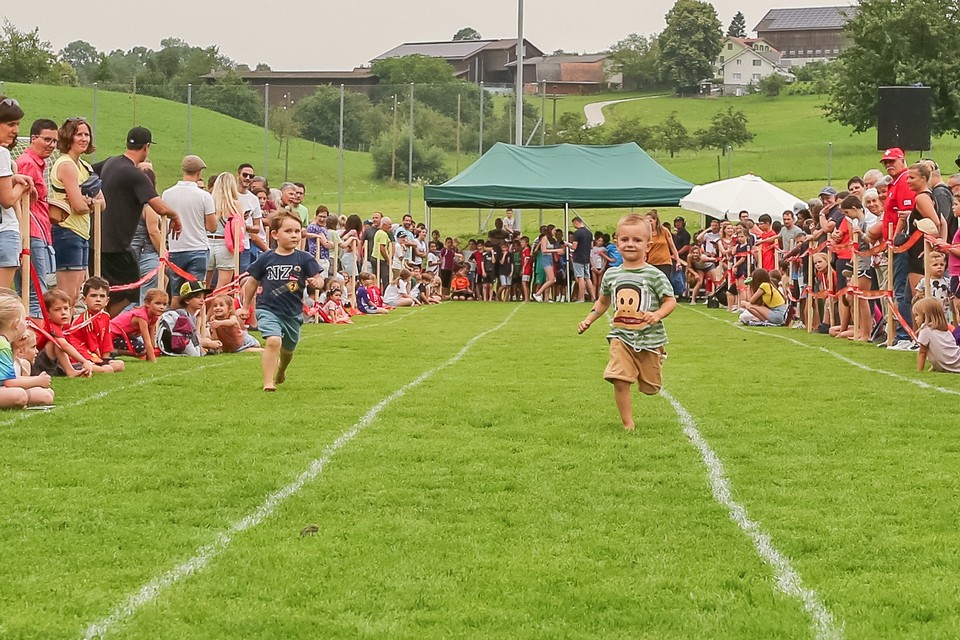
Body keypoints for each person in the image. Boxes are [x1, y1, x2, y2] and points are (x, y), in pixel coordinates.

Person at [577, 214, 676, 431]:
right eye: (625, 239)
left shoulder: (655, 275)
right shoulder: (611, 275)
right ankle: (627, 424)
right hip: (620, 336)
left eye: (637, 240)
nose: (630, 244)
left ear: (648, 245)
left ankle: (655, 358)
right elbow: (603, 301)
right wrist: (589, 319)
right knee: (619, 379)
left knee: (651, 388)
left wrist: (657, 315)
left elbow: (670, 301)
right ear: (616, 242)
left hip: (648, 338)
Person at [93, 127, 181, 316]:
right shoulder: (135, 175)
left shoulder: (110, 162)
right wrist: (175, 216)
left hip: (97, 241)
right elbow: (159, 206)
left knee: (103, 291)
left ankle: (101, 322)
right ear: (146, 147)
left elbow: (88, 170)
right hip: (117, 245)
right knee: (131, 288)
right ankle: (105, 322)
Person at [240, 211, 323, 391]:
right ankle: (268, 383)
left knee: (288, 350)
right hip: (267, 308)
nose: (294, 235)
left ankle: (282, 369)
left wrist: (317, 282)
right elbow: (252, 282)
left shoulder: (304, 258)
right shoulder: (266, 258)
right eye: (288, 231)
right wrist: (245, 307)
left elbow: (319, 278)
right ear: (275, 234)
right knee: (273, 341)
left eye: (297, 231)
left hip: (292, 313)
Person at [15, 118, 59, 319]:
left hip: (37, 231)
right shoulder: (27, 163)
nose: (51, 145)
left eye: (54, 141)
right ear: (33, 138)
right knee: (36, 292)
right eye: (47, 139)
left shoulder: (38, 164)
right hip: (31, 232)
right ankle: (34, 334)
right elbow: (19, 201)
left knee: (31, 290)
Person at [162, 155, 216, 307]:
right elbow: (212, 227)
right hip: (198, 248)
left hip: (176, 248)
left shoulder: (167, 194)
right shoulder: (204, 196)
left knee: (176, 293)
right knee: (195, 294)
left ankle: (174, 320)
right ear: (199, 173)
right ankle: (192, 321)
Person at [0, 98, 34, 293]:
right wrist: (22, 185)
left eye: (18, 124)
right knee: (2, 298)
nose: (16, 130)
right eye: (11, 124)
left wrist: (12, 178)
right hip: (5, 231)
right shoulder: (2, 153)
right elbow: (7, 200)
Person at [0, 296, 53, 408]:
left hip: (4, 387)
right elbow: (9, 382)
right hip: (5, 387)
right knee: (19, 395)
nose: (27, 324)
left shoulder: (5, 342)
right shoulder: (2, 344)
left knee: (46, 394)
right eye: (24, 320)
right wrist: (37, 381)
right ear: (16, 324)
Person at [66, 277, 125, 373]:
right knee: (108, 369)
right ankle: (93, 368)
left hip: (96, 356)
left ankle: (99, 367)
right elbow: (92, 345)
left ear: (107, 301)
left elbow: (106, 340)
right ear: (84, 300)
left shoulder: (105, 316)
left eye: (102, 296)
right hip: (81, 354)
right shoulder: (86, 319)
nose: (98, 299)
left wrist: (105, 360)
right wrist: (102, 362)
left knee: (120, 365)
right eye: (93, 296)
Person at [34, 288, 96, 377]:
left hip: (55, 363)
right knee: (58, 343)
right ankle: (70, 371)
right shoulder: (51, 326)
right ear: (47, 314)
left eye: (66, 308)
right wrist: (84, 361)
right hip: (40, 365)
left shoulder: (65, 325)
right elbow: (64, 346)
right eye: (57, 309)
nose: (63, 313)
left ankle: (78, 369)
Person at [110, 288, 168, 363]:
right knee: (140, 349)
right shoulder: (141, 316)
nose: (162, 307)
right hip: (111, 335)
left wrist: (150, 358)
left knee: (142, 349)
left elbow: (152, 340)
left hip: (121, 336)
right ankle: (111, 351)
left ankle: (110, 350)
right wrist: (154, 362)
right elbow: (147, 341)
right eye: (158, 303)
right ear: (147, 303)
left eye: (164, 304)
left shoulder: (154, 317)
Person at [914, 297, 960, 373]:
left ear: (925, 315)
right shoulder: (944, 330)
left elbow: (922, 353)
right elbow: (939, 354)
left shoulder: (925, 330)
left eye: (917, 315)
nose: (915, 318)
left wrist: (919, 371)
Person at [11, 328, 55, 406]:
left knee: (49, 392)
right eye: (33, 347)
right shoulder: (24, 363)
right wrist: (38, 380)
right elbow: (15, 383)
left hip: (15, 390)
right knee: (46, 396)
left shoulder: (22, 363)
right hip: (12, 392)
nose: (37, 351)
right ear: (20, 351)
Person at [237, 164, 266, 263]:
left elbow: (257, 228)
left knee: (244, 272)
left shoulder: (253, 199)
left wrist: (246, 227)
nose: (248, 178)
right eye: (245, 175)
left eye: (251, 176)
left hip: (244, 245)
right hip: (226, 243)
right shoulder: (230, 194)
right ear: (238, 175)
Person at [571, 216, 596, 302]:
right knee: (587, 278)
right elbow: (591, 246)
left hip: (578, 257)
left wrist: (568, 245)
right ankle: (593, 297)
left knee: (580, 277)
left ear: (576, 222)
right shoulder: (589, 233)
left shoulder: (577, 233)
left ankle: (581, 298)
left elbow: (574, 246)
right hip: (586, 258)